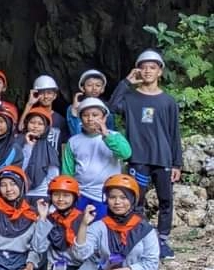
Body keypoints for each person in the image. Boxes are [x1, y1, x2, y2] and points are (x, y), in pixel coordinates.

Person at [109, 50, 183, 259]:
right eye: (144, 67)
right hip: (138, 158)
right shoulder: (131, 98)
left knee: (166, 200)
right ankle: (140, 239)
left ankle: (162, 241)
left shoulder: (168, 101)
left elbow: (174, 133)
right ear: (138, 71)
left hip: (163, 158)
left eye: (152, 67)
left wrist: (177, 163)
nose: (148, 71)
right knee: (136, 201)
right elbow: (112, 107)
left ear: (160, 72)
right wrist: (126, 82)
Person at [29, 176, 96, 270]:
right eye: (56, 195)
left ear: (74, 198)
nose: (60, 199)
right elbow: (39, 247)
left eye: (66, 195)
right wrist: (43, 218)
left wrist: (83, 225)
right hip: (58, 269)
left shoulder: (85, 219)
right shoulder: (51, 219)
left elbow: (88, 255)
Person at [61, 98, 131, 221]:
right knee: (77, 226)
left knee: (102, 226)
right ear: (80, 119)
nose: (90, 119)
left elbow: (125, 154)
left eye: (95, 115)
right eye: (85, 115)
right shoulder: (73, 141)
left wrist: (106, 136)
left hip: (106, 194)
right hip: (80, 193)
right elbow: (67, 172)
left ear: (104, 118)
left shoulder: (114, 136)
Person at [21, 107, 61, 204]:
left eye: (40, 124)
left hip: (42, 195)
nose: (35, 126)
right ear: (26, 124)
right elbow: (19, 169)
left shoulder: (49, 149)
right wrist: (28, 147)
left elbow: (53, 176)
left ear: (46, 127)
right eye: (32, 122)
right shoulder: (18, 143)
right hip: (21, 193)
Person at [67, 69, 116, 136]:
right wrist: (74, 112)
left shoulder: (106, 109)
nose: (94, 88)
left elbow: (110, 132)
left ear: (102, 89)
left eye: (98, 85)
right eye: (89, 85)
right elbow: (75, 134)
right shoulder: (72, 108)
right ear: (82, 88)